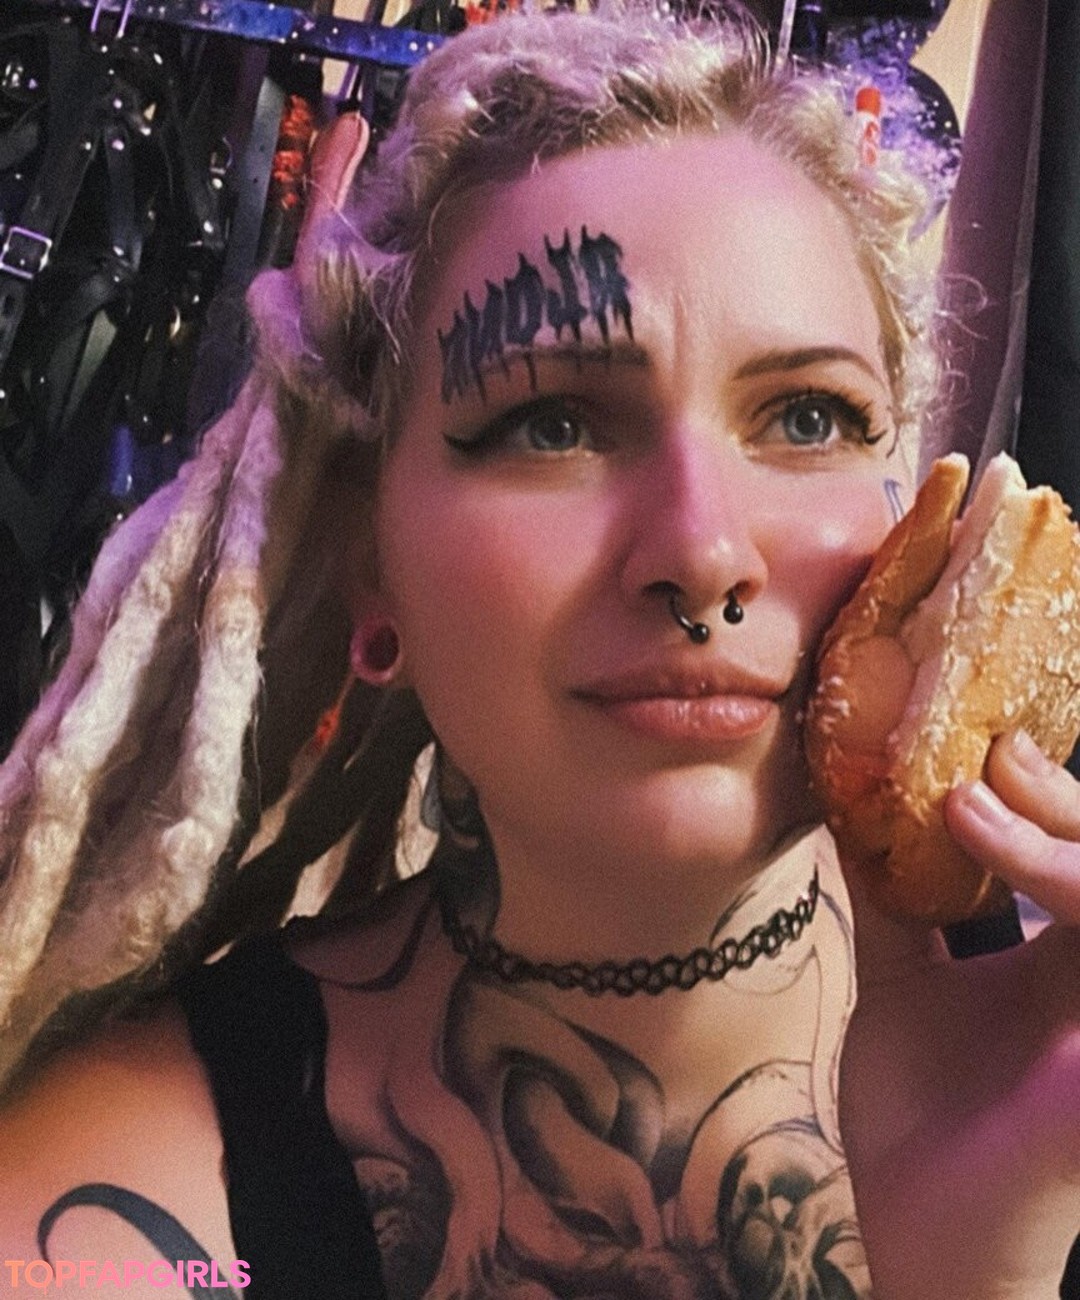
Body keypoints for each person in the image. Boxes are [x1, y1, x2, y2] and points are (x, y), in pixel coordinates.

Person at [0, 5, 1078, 1298]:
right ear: (372, 557)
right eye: (553, 424)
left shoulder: (1052, 1043)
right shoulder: (105, 1210)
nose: (702, 549)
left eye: (807, 417)